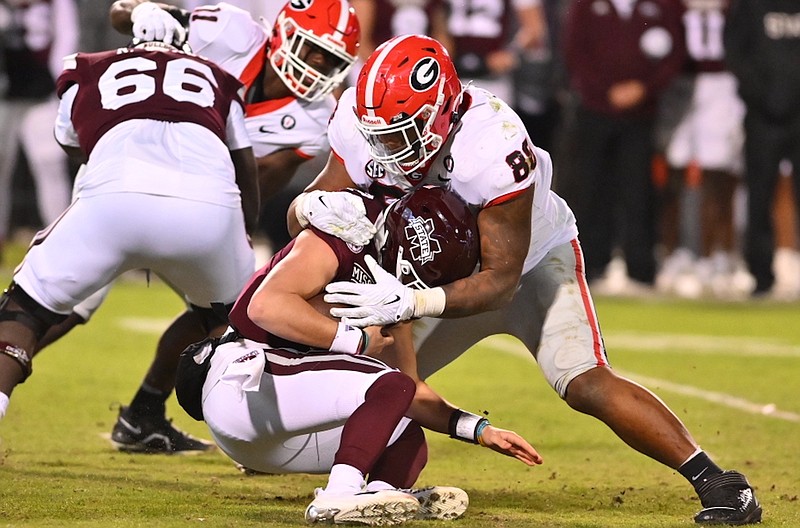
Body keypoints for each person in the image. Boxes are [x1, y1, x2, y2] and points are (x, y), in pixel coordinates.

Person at [283, 34, 762, 525]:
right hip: (422, 277)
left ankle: (719, 483)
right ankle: (295, 453)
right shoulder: (362, 123)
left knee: (584, 382)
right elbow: (312, 224)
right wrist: (307, 208)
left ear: (442, 113)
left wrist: (409, 303)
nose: (386, 149)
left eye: (401, 133)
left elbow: (499, 281)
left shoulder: (493, 147)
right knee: (362, 375)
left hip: (530, 265)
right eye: (377, 134)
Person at [27, 0, 361, 454]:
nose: (316, 65)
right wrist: (142, 13)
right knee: (64, 306)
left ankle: (145, 415)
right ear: (281, 34)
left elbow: (261, 180)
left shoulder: (318, 116)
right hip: (128, 176)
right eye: (311, 49)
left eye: (331, 59)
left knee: (238, 313)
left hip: (206, 206)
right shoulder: (229, 30)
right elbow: (120, 13)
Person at [179, 185, 541, 524]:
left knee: (403, 429)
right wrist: (358, 342)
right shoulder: (341, 240)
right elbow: (265, 309)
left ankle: (381, 497)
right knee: (387, 385)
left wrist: (478, 429)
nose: (418, 290)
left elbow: (410, 390)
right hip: (245, 384)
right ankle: (338, 495)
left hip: (274, 434)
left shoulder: (398, 290)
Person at [0, 36, 258, 456]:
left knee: (22, 313)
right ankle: (257, 444)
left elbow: (68, 142)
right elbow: (244, 164)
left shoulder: (88, 64)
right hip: (208, 208)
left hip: (115, 196)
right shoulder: (220, 76)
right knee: (241, 326)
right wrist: (238, 240)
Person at [556, 0, 686, 292]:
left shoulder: (664, 4)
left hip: (642, 114)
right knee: (590, 189)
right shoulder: (586, 5)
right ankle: (590, 266)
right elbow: (575, 51)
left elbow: (675, 52)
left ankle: (641, 270)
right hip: (593, 110)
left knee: (639, 190)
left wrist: (644, 88)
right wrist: (604, 91)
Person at [654, 0, 748, 300]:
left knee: (719, 173)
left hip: (722, 83)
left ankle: (717, 255)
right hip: (678, 80)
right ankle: (674, 255)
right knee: (673, 171)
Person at [724, 0, 800, 297]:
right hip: (761, 115)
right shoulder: (750, 5)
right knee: (759, 196)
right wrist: (761, 95)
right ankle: (760, 275)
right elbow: (734, 50)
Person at [0, 0, 78, 267]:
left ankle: (60, 242)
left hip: (40, 90)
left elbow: (67, 33)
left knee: (50, 164)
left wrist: (58, 79)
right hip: (4, 92)